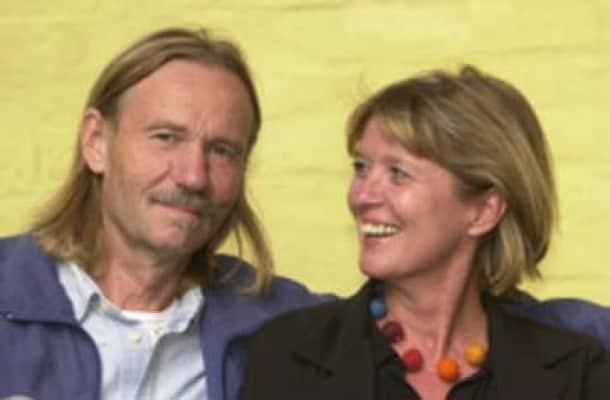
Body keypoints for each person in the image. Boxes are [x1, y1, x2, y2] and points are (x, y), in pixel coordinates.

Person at [240, 65, 610, 400]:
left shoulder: (576, 373)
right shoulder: (289, 356)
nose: (361, 196)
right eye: (361, 167)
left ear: (484, 211)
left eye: (397, 173)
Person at [0, 27, 326, 400]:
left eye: (221, 150)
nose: (193, 176)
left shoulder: (287, 331)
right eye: (166, 137)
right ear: (96, 142)